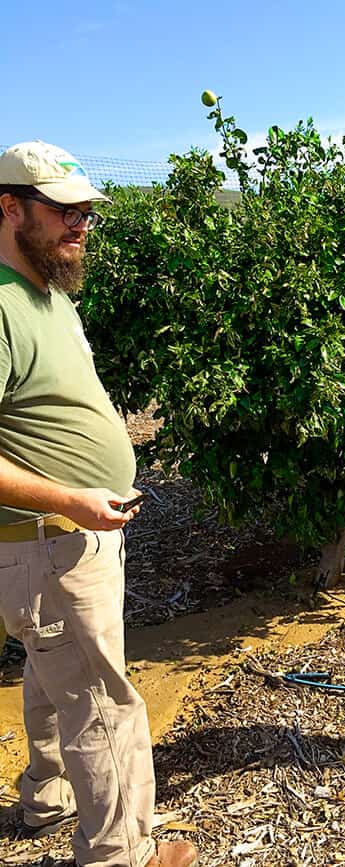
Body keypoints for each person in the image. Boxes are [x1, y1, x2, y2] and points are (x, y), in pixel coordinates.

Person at [0, 141, 198, 867]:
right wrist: (71, 500)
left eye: (86, 211)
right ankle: (123, 853)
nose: (81, 223)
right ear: (10, 206)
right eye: (64, 210)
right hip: (52, 543)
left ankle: (45, 796)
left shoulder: (45, 293)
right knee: (103, 704)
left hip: (64, 541)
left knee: (54, 676)